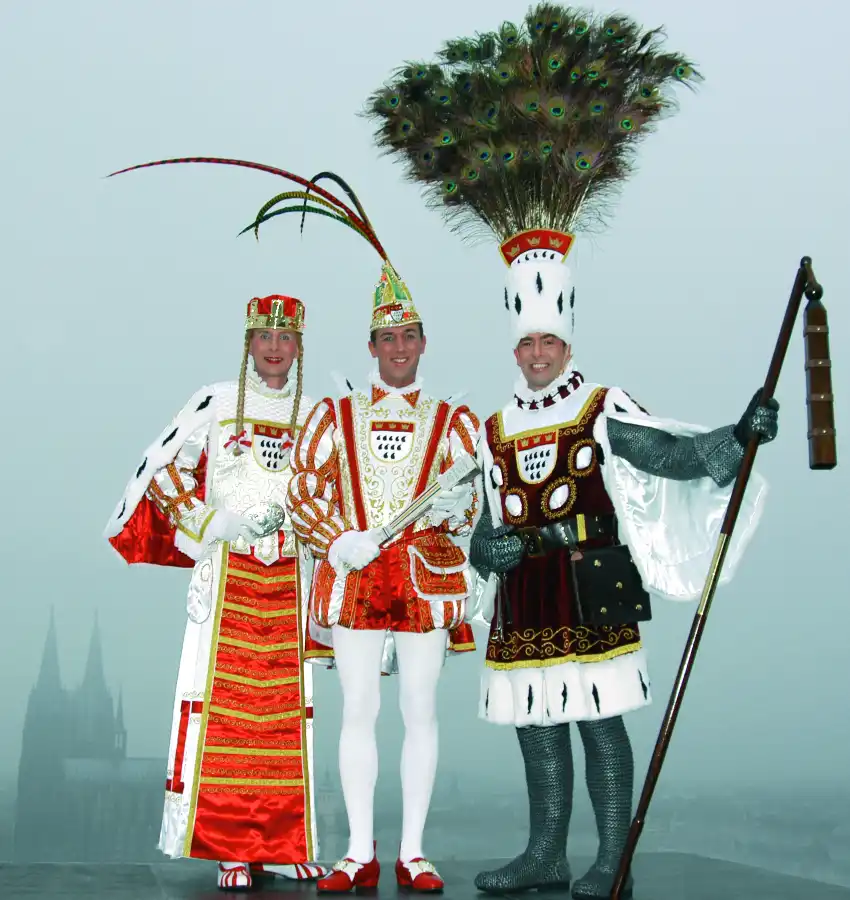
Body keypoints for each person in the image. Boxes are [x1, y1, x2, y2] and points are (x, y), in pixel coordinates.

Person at [363, 6, 778, 898]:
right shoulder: (494, 427)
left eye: (548, 341)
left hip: (590, 582)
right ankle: (546, 851)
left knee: (598, 725)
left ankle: (608, 859)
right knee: (534, 729)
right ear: (514, 345)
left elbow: (669, 456)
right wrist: (488, 549)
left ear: (565, 339)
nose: (537, 352)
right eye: (527, 343)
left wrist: (734, 437)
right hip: (525, 594)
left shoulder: (598, 407)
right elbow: (479, 528)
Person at [233, 173, 480, 893]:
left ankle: (413, 851)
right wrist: (340, 536)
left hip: (424, 580)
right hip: (355, 577)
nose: (397, 347)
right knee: (359, 710)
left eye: (408, 336)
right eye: (386, 337)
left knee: (421, 710)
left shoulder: (454, 423)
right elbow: (302, 490)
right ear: (369, 344)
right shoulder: (334, 416)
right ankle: (357, 850)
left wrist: (444, 520)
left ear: (424, 341)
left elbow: (467, 508)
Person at [103, 292, 328, 891]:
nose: (275, 348)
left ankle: (281, 842)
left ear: (299, 346)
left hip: (289, 579)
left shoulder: (317, 415)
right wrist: (214, 523)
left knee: (287, 715)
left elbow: (334, 488)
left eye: (285, 338)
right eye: (264, 337)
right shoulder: (217, 401)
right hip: (228, 579)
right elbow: (166, 468)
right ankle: (232, 844)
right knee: (229, 713)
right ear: (249, 343)